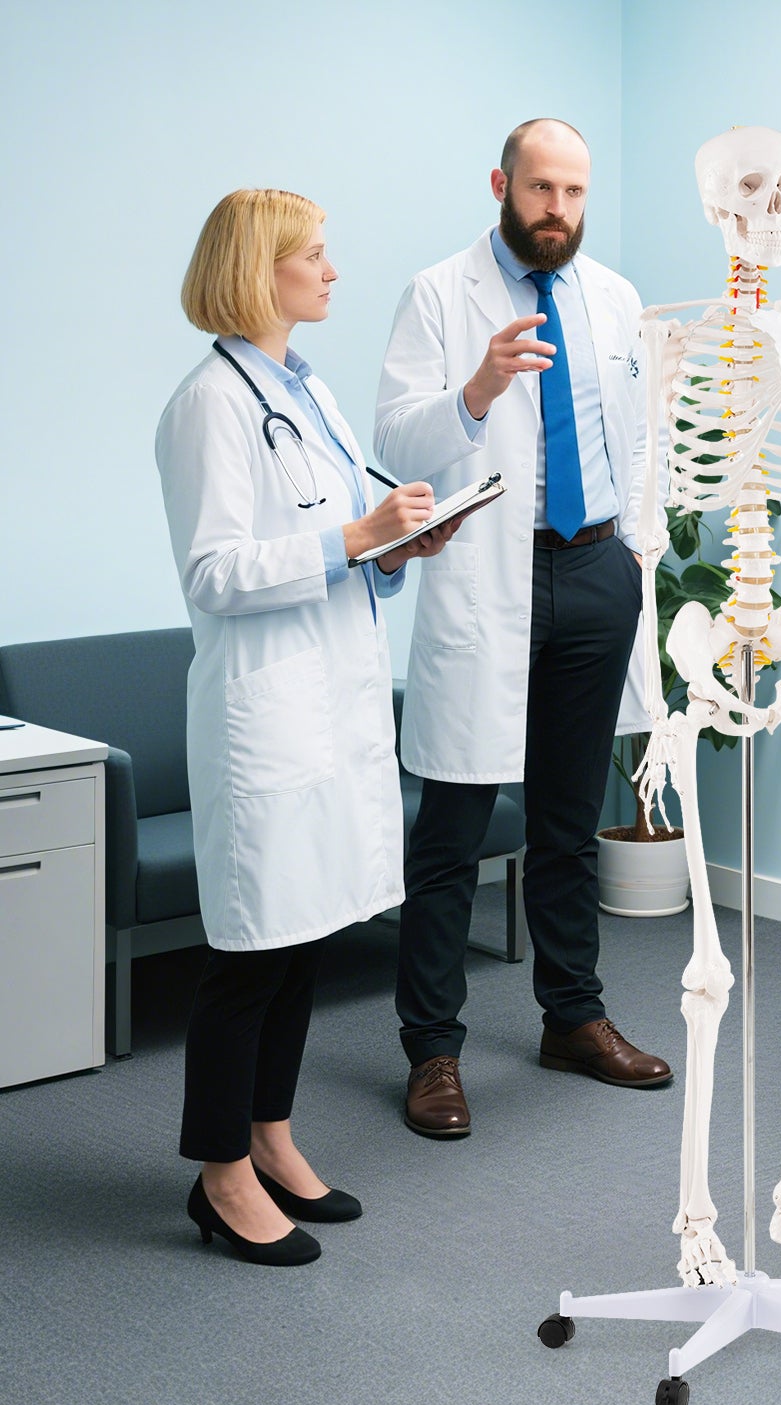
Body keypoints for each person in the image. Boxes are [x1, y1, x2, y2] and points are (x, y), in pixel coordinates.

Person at [156, 189, 458, 1264]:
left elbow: (345, 526)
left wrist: (393, 542)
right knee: (250, 951)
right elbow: (214, 570)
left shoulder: (304, 389)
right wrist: (350, 539)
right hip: (263, 716)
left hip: (326, 699)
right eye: (314, 258)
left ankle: (271, 1133)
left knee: (304, 938)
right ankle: (218, 1172)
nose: (332, 273)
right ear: (260, 269)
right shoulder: (210, 403)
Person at [376, 118, 667, 1139]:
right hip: (485, 574)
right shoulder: (437, 294)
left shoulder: (615, 298)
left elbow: (642, 438)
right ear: (502, 183)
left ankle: (572, 1016)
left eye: (575, 194)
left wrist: (636, 552)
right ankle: (433, 1049)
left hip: (594, 568)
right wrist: (479, 386)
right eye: (542, 190)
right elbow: (394, 438)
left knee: (566, 817)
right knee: (453, 824)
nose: (559, 211)